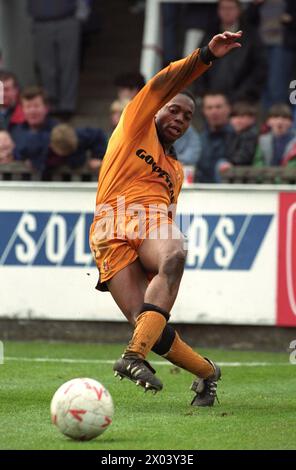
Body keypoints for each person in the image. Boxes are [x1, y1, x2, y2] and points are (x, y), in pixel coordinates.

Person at [89, 31, 243, 406]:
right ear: (155, 108)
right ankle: (208, 373)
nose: (180, 118)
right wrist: (206, 55)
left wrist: (157, 259)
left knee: (174, 253)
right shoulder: (135, 125)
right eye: (173, 109)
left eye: (188, 116)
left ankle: (131, 358)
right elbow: (166, 81)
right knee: (150, 328)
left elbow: (168, 220)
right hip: (109, 229)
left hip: (150, 223)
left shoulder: (175, 169)